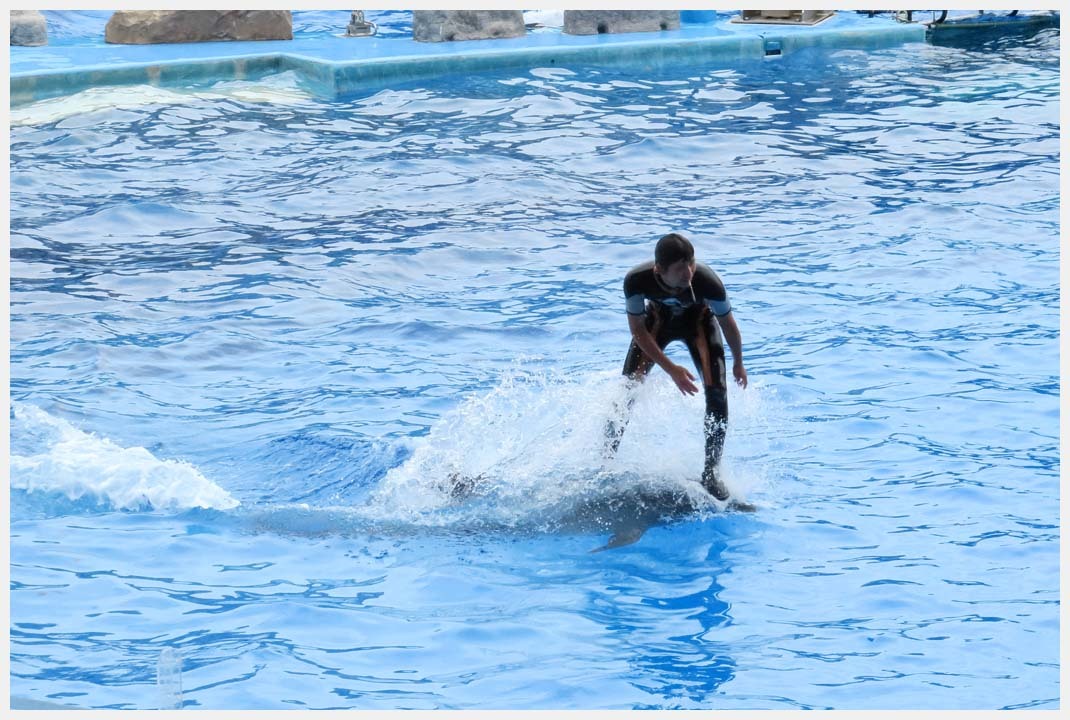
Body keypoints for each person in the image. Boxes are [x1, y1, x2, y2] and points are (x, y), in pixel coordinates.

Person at [604, 232, 748, 502]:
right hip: (656, 324)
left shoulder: (708, 283)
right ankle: (604, 461)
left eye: (691, 263)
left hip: (700, 325)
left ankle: (711, 472)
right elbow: (637, 330)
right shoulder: (637, 281)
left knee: (717, 393)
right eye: (680, 268)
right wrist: (671, 369)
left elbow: (728, 324)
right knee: (627, 391)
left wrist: (739, 362)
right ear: (659, 269)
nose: (688, 273)